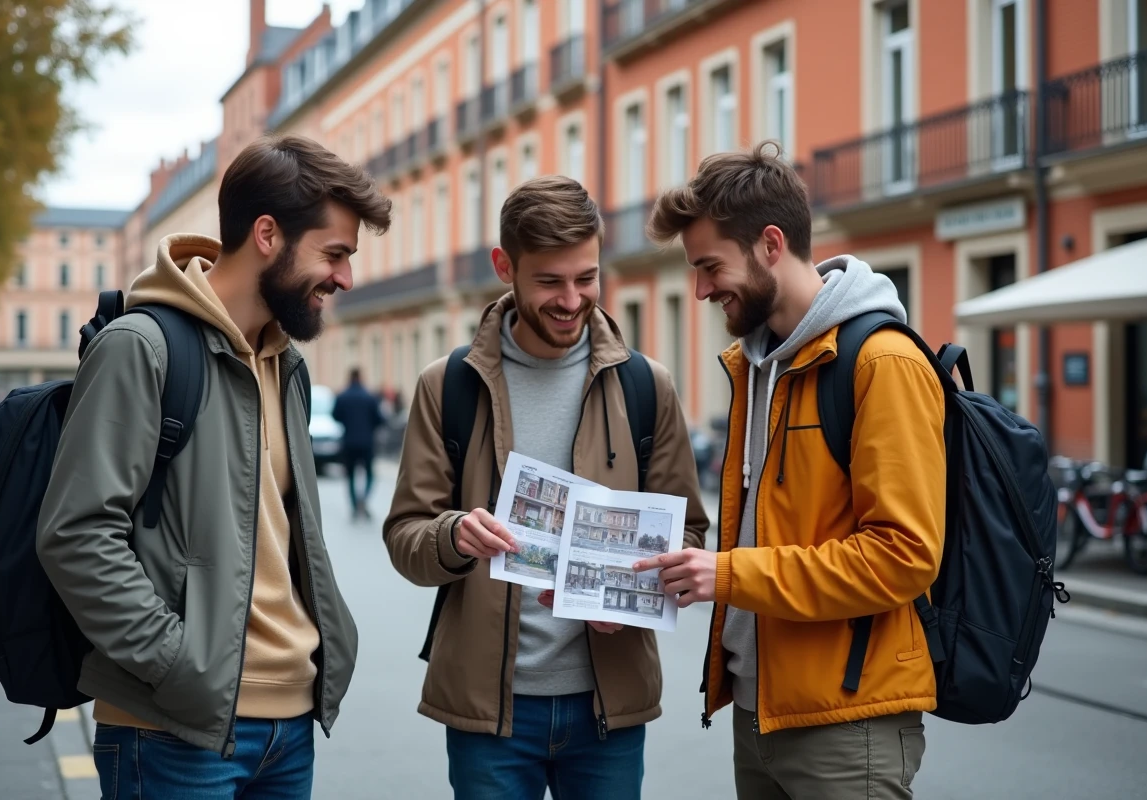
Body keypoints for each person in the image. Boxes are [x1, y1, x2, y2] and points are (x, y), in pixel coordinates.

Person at [36, 133, 388, 798]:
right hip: (172, 732)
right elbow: (76, 535)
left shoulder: (288, 365)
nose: (345, 277)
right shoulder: (141, 348)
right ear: (266, 235)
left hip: (290, 728)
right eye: (335, 253)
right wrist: (179, 667)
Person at [383, 176, 710, 799]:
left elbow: (687, 532)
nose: (571, 299)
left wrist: (626, 595)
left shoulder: (647, 386)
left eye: (586, 278)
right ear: (505, 266)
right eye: (549, 281)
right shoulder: (446, 386)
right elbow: (405, 537)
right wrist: (454, 536)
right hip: (490, 716)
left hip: (606, 709)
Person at [636, 142, 945, 799]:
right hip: (758, 711)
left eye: (710, 266)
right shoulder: (755, 365)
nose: (699, 289)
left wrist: (726, 574)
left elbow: (904, 556)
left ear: (770, 244)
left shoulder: (881, 362)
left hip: (846, 725)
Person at [332, 367, 384, 518]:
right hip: (367, 442)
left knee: (351, 475)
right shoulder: (369, 397)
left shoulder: (342, 396)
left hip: (348, 442)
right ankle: (364, 498)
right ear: (361, 377)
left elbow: (335, 415)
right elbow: (379, 419)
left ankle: (355, 504)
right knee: (369, 474)